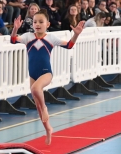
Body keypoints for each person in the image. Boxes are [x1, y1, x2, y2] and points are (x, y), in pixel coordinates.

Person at [10, 10, 85, 145]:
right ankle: (48, 129)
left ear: (48, 24)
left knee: (35, 90)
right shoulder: (28, 36)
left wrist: (76, 35)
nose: (37, 24)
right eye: (35, 22)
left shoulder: (51, 38)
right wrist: (15, 29)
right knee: (37, 105)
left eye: (41, 22)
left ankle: (45, 108)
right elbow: (13, 40)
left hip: (46, 73)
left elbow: (69, 45)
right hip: (33, 74)